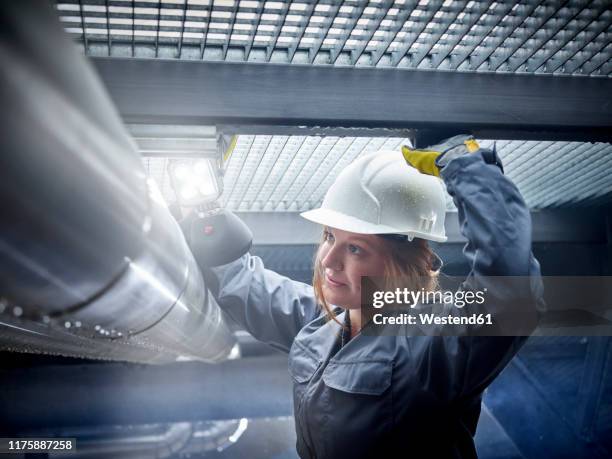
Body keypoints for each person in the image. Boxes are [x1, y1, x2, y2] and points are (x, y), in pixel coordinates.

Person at [202, 135, 544, 458]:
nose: (328, 260)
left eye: (355, 248)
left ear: (408, 263)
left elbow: (510, 294)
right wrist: (203, 208)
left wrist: (461, 162)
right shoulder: (322, 323)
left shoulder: (433, 345)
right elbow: (245, 285)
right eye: (328, 237)